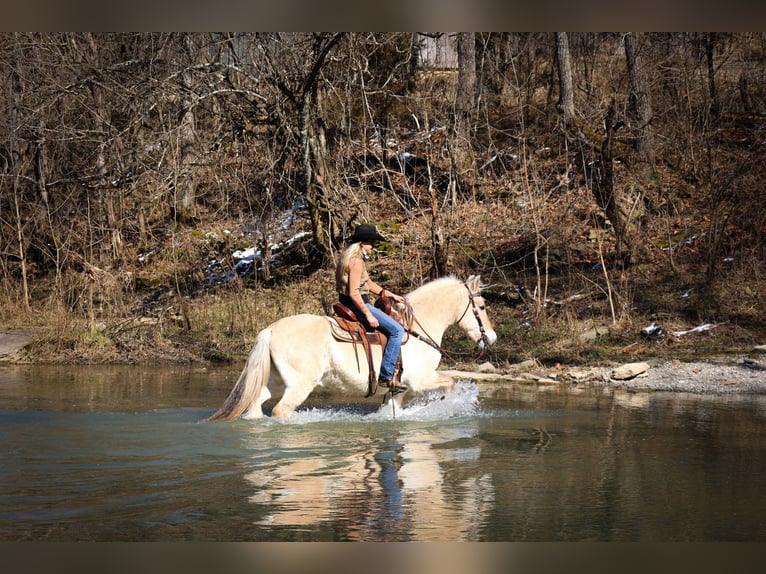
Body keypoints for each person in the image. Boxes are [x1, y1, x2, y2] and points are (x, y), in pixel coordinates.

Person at [336, 224, 407, 393]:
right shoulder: (356, 261)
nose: (373, 247)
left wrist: (389, 294)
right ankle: (387, 376)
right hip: (358, 304)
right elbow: (354, 292)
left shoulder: (347, 257)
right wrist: (368, 314)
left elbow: (367, 283)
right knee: (397, 330)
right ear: (361, 243)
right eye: (371, 243)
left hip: (348, 302)